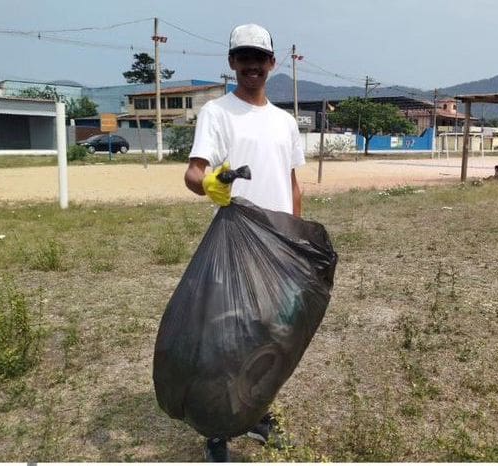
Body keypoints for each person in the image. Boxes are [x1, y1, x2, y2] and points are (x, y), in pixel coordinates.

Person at [183, 23, 303, 462]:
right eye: (243, 57)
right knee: (226, 337)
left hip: (279, 245)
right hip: (236, 244)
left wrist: (296, 239)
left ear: (273, 63)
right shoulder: (217, 113)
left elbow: (292, 182)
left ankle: (255, 413)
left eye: (260, 58)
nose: (252, 65)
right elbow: (194, 173)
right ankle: (217, 430)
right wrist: (211, 184)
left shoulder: (285, 122)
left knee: (269, 337)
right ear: (232, 62)